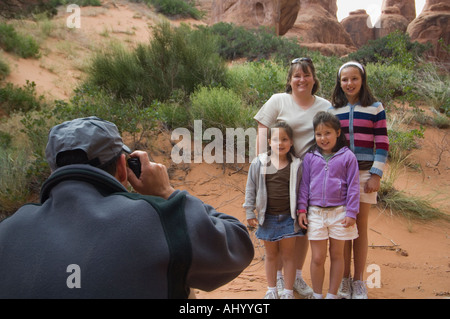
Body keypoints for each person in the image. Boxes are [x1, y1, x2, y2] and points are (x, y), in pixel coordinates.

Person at [0, 116, 254, 298]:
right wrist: (167, 194)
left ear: (53, 170)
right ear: (123, 167)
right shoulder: (155, 219)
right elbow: (237, 247)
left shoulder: (8, 231)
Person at [253, 57, 331, 297]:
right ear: (290, 80)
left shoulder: (324, 105)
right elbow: (262, 128)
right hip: (278, 175)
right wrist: (261, 166)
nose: (302, 80)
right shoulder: (279, 100)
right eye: (297, 75)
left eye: (307, 75)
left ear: (314, 79)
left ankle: (295, 276)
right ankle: (277, 278)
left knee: (302, 226)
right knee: (279, 223)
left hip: (309, 176)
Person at [330, 61, 389, 299]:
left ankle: (359, 281)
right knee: (344, 227)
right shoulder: (334, 111)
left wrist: (376, 174)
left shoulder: (375, 108)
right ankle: (343, 280)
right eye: (345, 79)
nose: (349, 83)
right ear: (339, 82)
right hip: (341, 177)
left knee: (360, 227)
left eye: (354, 78)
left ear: (362, 80)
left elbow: (382, 142)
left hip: (365, 175)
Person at [297, 111, 360, 299]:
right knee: (317, 257)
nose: (323, 138)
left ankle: (332, 295)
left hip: (340, 213)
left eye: (327, 133)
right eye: (318, 134)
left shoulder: (347, 157)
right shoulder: (310, 158)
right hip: (315, 213)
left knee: (337, 255)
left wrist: (352, 212)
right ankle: (317, 294)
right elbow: (304, 186)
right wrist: (302, 209)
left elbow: (354, 187)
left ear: (338, 133)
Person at [244, 121, 304, 299]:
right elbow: (251, 188)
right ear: (269, 142)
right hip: (267, 217)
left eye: (285, 139)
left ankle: (287, 292)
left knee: (288, 256)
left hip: (289, 218)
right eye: (276, 139)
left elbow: (302, 191)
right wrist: (249, 211)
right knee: (271, 255)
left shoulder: (296, 165)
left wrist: (302, 211)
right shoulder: (260, 163)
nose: (280, 143)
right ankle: (271, 290)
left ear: (291, 142)